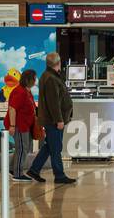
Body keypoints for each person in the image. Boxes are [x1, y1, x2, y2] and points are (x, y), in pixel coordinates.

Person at [26, 52, 76, 185]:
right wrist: (59, 120)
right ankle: (59, 175)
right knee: (56, 148)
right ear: (58, 63)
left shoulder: (49, 76)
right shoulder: (51, 79)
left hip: (51, 119)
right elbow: (53, 103)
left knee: (50, 146)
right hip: (53, 121)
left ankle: (34, 170)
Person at [6, 69, 37, 182]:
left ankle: (12, 169)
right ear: (29, 79)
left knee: (23, 147)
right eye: (34, 78)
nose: (35, 80)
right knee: (22, 148)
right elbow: (12, 108)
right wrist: (13, 126)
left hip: (25, 125)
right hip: (19, 125)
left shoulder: (27, 91)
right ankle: (18, 173)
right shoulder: (20, 91)